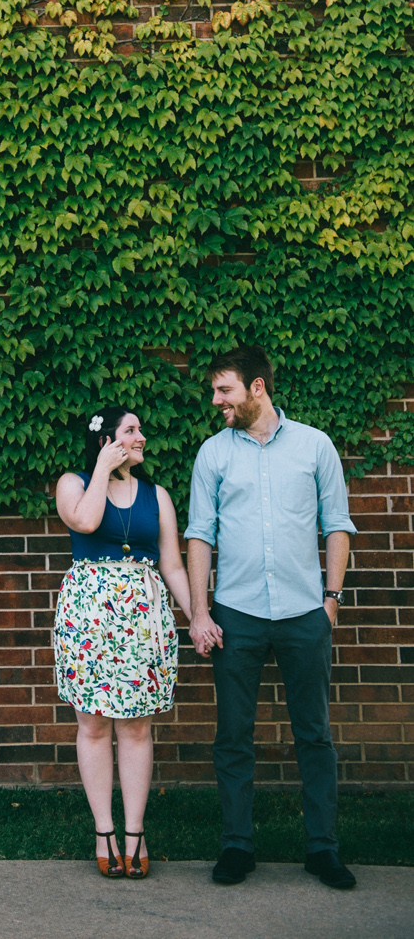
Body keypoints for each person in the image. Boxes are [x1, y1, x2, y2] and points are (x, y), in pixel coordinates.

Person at [186, 344, 357, 890]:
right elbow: (199, 535)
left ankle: (323, 850)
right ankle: (237, 847)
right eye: (215, 391)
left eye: (225, 390)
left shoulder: (314, 445)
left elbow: (337, 524)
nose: (216, 401)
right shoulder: (213, 454)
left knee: (314, 735)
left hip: (305, 613)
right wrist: (200, 611)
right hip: (236, 616)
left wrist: (330, 602)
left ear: (256, 387)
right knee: (233, 736)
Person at [54, 406, 192, 879]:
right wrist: (101, 470)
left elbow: (172, 565)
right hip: (88, 620)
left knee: (136, 727)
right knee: (94, 726)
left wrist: (198, 617)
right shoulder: (72, 484)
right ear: (106, 441)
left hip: (142, 620)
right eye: (130, 430)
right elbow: (86, 522)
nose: (141, 437)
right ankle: (103, 831)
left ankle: (135, 833)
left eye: (140, 429)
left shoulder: (157, 496)